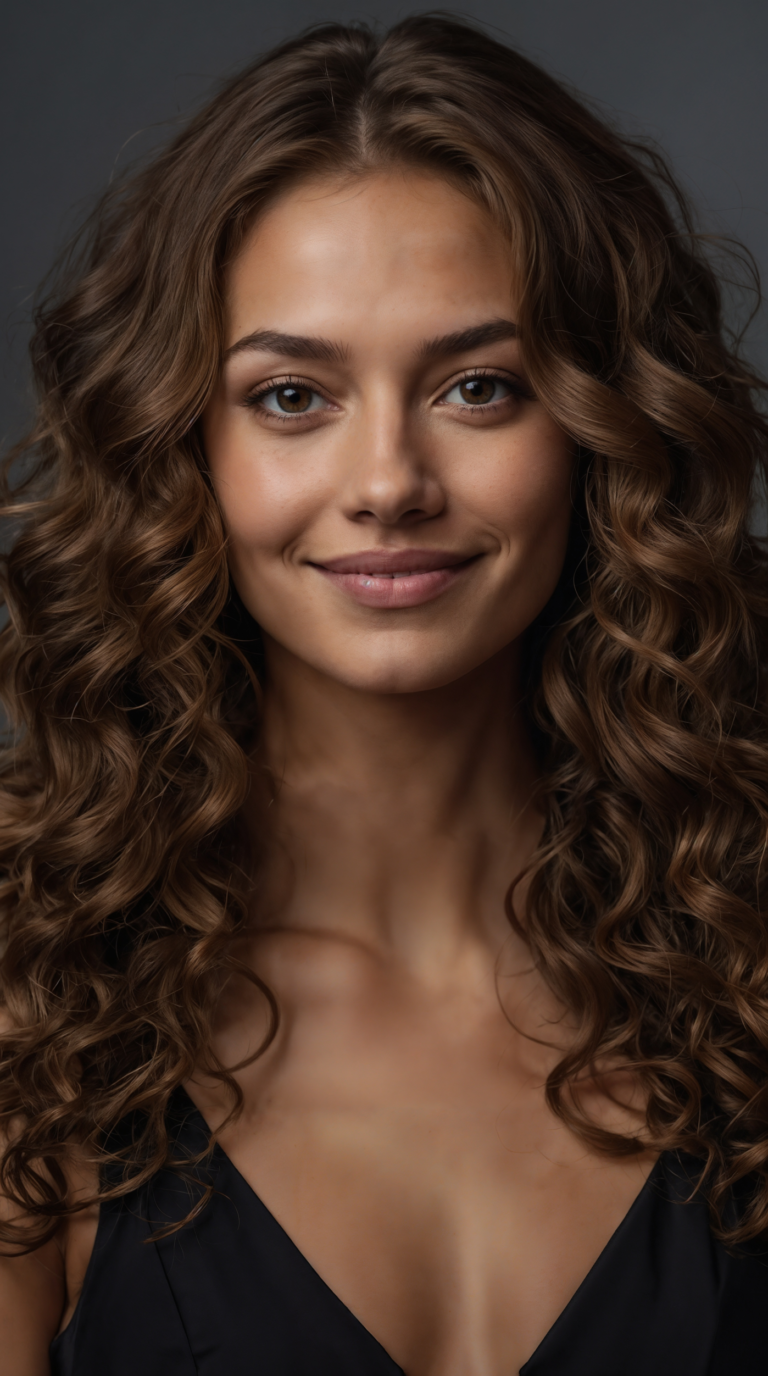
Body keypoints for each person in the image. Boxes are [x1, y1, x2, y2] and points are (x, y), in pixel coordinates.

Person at [1, 13, 767, 1375]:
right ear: (185, 443)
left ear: (605, 433)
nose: (388, 481)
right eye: (293, 396)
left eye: (479, 387)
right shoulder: (35, 1002)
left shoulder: (747, 954)